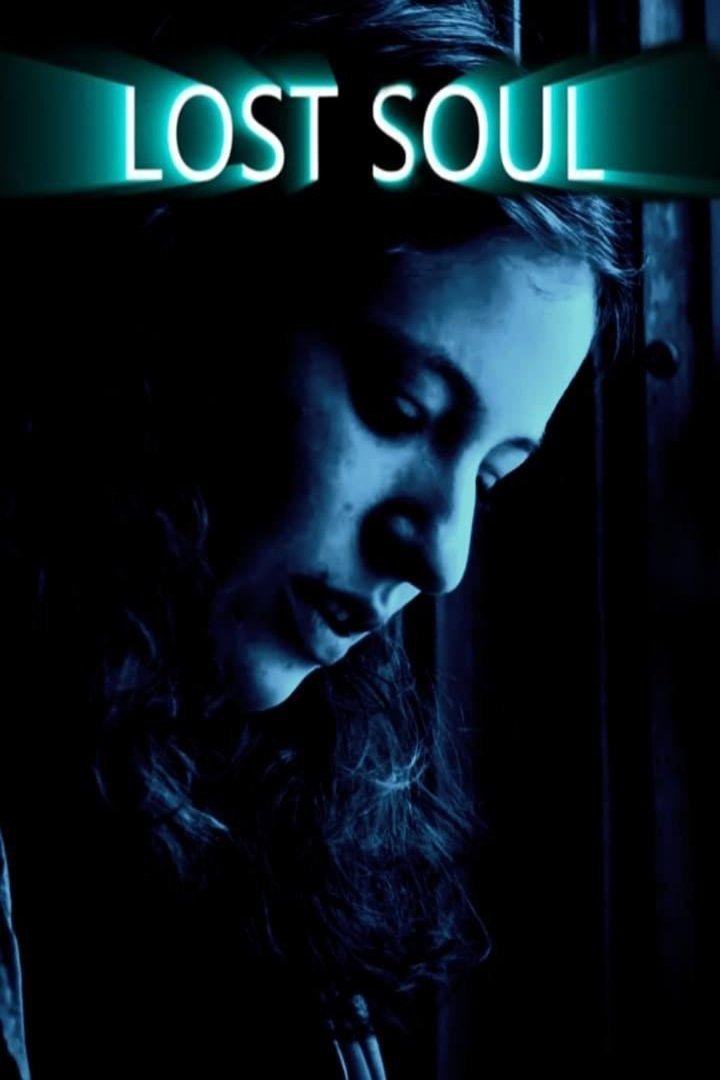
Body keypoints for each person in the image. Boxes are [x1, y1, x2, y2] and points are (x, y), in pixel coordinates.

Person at [0, 3, 632, 1077]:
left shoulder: (269, 844)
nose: (441, 556)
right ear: (198, 312)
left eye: (492, 477)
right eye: (397, 408)